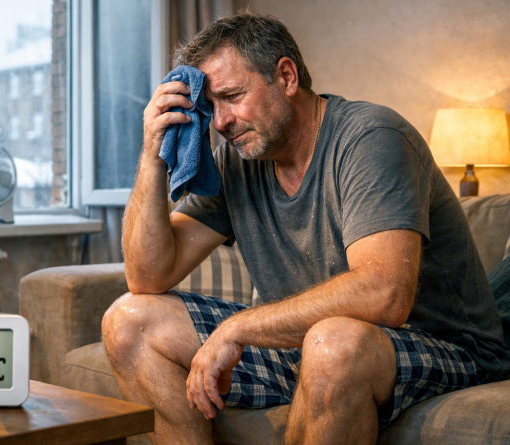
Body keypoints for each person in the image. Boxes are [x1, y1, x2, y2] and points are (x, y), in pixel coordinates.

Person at [102, 10, 510, 445]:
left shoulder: (370, 138)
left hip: (445, 349)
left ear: (287, 76)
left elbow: (385, 294)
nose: (220, 123)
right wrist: (153, 154)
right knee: (129, 321)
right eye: (210, 107)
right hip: (306, 346)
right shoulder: (235, 164)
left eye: (233, 96)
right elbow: (147, 276)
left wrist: (237, 328)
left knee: (332, 343)